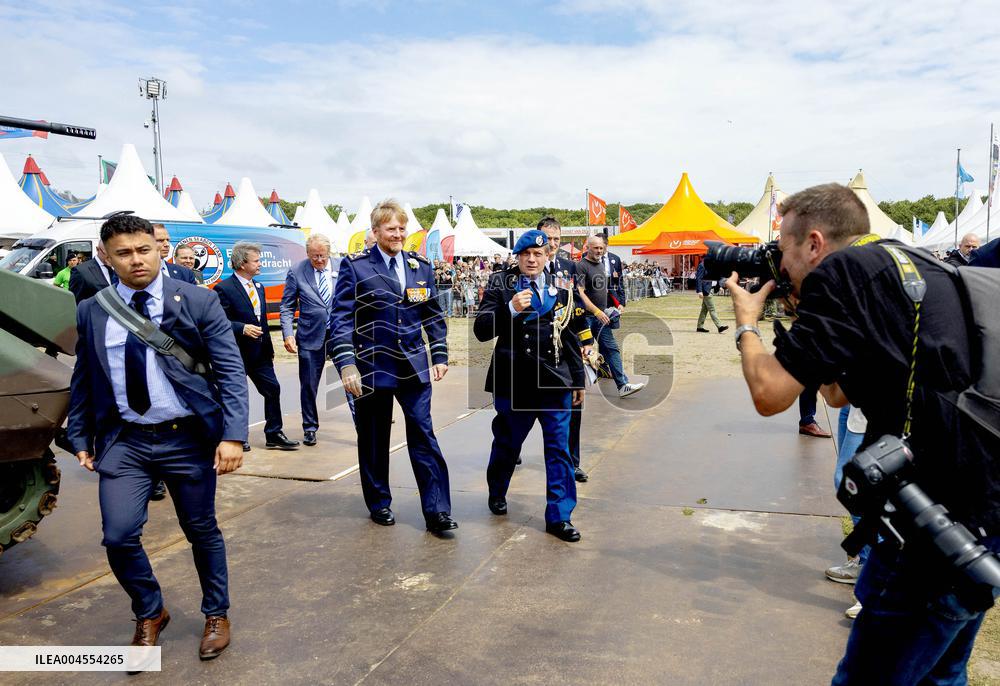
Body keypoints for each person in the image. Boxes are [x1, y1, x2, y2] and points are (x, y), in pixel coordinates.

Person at [727, 183, 999, 685]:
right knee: (942, 677)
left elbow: (769, 395)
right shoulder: (904, 263)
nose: (779, 266)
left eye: (782, 251)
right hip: (976, 511)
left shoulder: (843, 273)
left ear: (813, 243)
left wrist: (747, 323)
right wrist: (799, 316)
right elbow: (836, 396)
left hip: (933, 524)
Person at [66, 213, 247, 660]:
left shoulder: (197, 301)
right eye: (123, 253)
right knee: (118, 536)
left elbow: (230, 370)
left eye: (143, 249)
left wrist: (234, 435)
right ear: (106, 257)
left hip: (187, 438)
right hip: (125, 441)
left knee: (201, 529)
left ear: (158, 248)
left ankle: (216, 613)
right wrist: (79, 435)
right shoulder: (93, 310)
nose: (136, 260)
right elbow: (85, 376)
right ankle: (150, 611)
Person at [329, 199, 456, 534]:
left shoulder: (420, 267)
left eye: (402, 228)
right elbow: (340, 319)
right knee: (373, 438)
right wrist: (346, 364)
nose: (398, 234)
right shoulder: (355, 267)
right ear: (376, 232)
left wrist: (440, 355)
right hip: (372, 367)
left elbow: (432, 315)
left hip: (414, 367)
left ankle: (437, 510)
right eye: (391, 229)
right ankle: (379, 502)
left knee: (424, 434)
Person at [475, 229, 594, 542]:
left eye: (538, 254)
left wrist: (577, 380)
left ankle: (559, 515)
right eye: (526, 254)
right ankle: (497, 490)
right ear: (517, 256)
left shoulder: (562, 286)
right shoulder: (501, 284)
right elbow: (481, 330)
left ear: (546, 256)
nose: (532, 259)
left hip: (555, 382)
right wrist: (510, 308)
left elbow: (570, 335)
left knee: (559, 450)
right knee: (507, 444)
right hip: (515, 383)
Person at [214, 242, 299, 452]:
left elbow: (263, 324)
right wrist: (241, 328)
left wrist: (269, 350)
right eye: (257, 261)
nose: (260, 264)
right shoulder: (223, 289)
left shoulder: (259, 287)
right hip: (236, 354)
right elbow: (218, 321)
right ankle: (236, 436)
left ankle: (274, 433)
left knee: (273, 389)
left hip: (260, 353)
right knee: (236, 396)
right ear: (243, 263)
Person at [280, 234, 344, 445]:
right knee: (308, 385)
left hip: (340, 334)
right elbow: (287, 306)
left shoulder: (342, 266)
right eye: (314, 256)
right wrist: (288, 333)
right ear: (307, 254)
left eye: (322, 256)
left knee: (351, 379)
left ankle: (362, 424)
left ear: (329, 253)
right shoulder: (297, 271)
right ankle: (309, 428)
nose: (318, 260)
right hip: (309, 337)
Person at [540, 217, 588, 482]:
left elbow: (576, 309)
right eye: (548, 238)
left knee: (574, 406)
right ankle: (513, 453)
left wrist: (587, 342)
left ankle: (573, 462)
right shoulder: (529, 265)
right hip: (534, 350)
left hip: (565, 349)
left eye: (557, 239)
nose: (553, 244)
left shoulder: (570, 267)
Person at [576, 234, 644, 398]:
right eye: (596, 248)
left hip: (602, 318)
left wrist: (614, 304)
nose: (599, 251)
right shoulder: (581, 266)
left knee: (612, 349)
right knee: (581, 355)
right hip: (585, 318)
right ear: (587, 248)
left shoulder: (600, 266)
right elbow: (580, 294)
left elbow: (604, 290)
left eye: (601, 248)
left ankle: (623, 385)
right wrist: (596, 311)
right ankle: (573, 390)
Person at [694, 260, 729, 334]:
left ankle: (699, 327)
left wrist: (719, 287)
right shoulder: (702, 265)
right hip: (706, 290)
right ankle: (719, 326)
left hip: (711, 289)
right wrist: (699, 291)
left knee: (704, 309)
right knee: (712, 309)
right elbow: (699, 278)